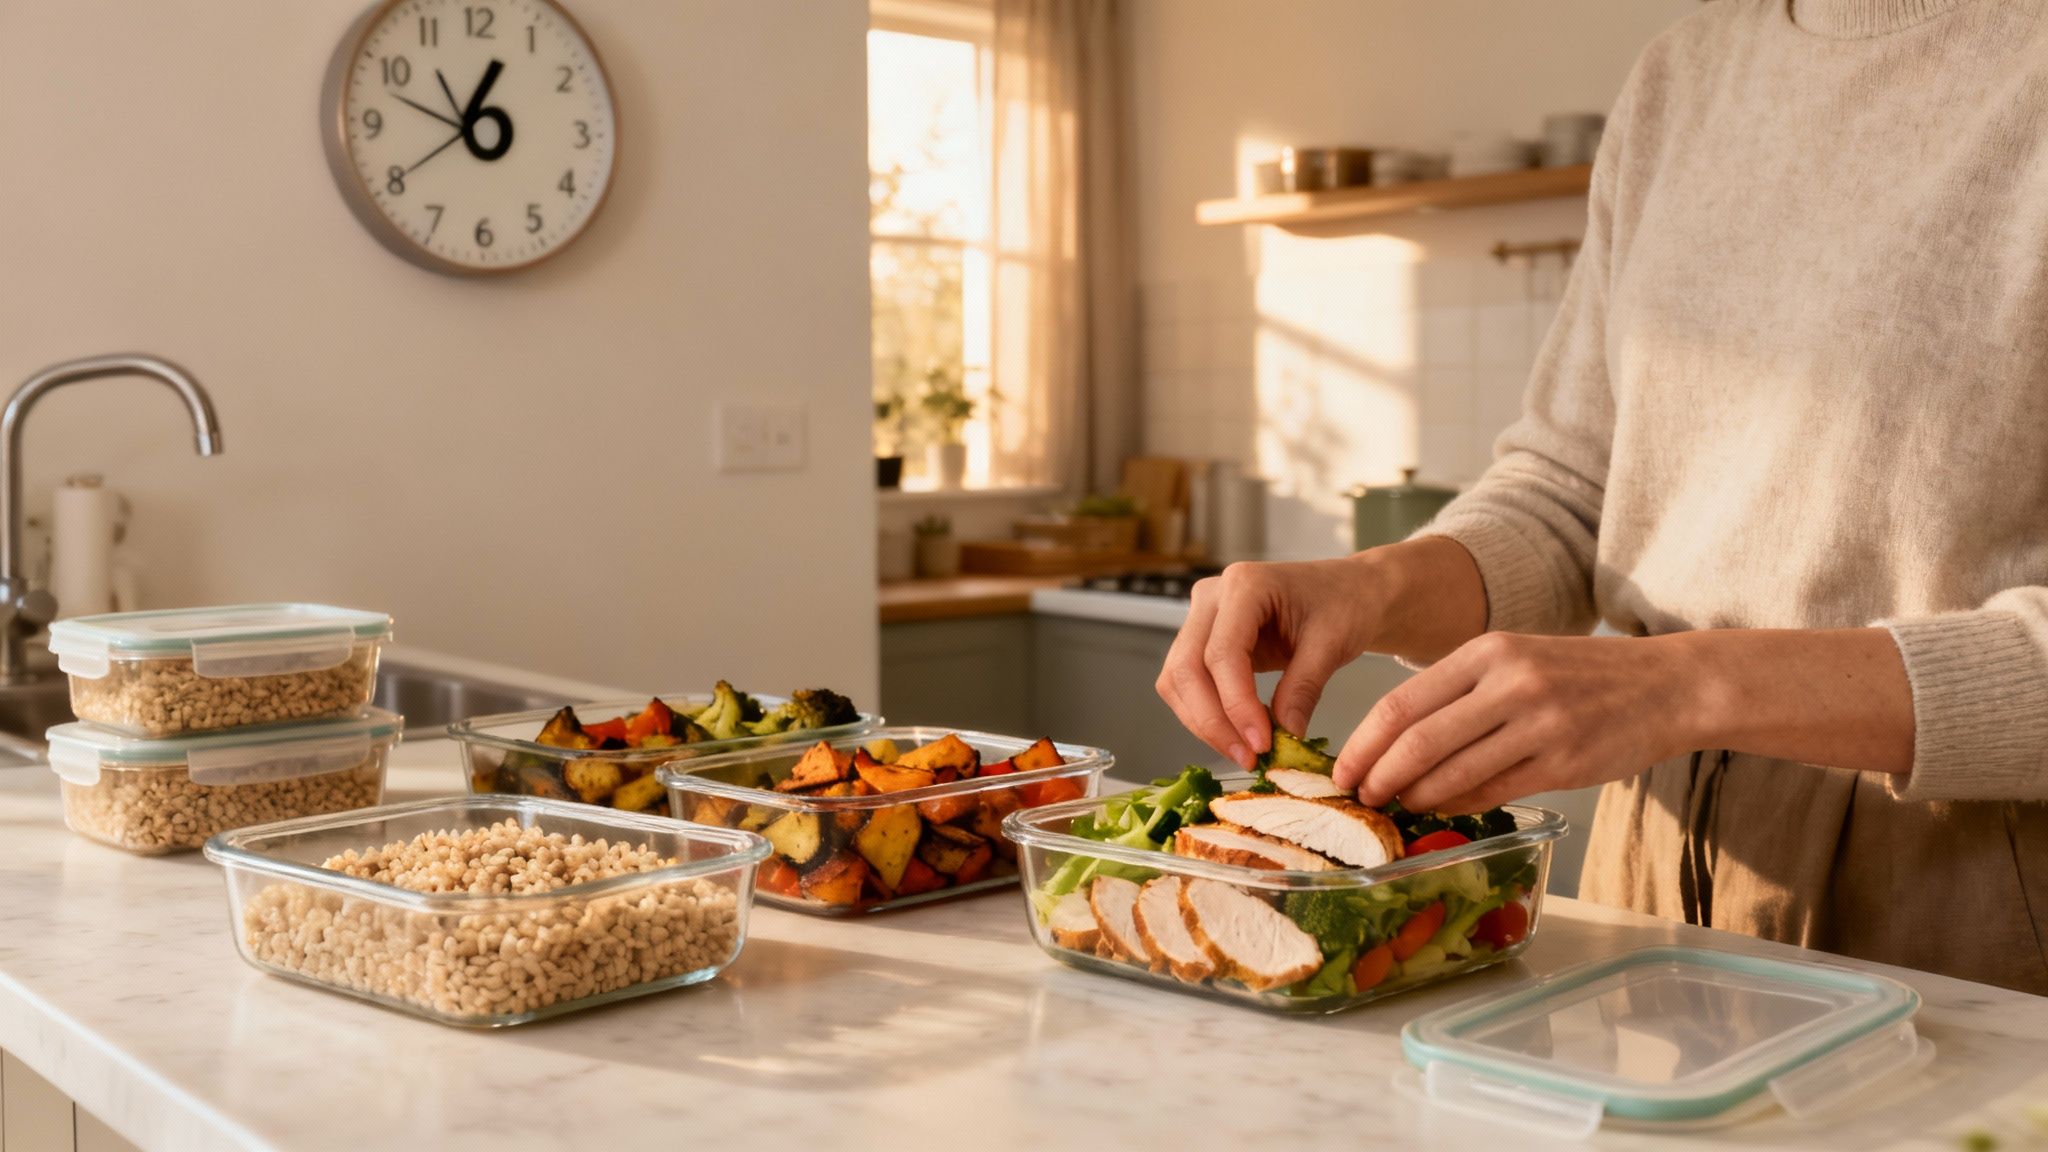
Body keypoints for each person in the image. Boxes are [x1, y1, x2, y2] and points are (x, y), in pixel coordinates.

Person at [1156, 0, 2048, 994]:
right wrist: (1373, 582)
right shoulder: (1682, 75)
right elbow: (1570, 488)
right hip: (1649, 858)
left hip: (1975, 879)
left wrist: (1684, 684)